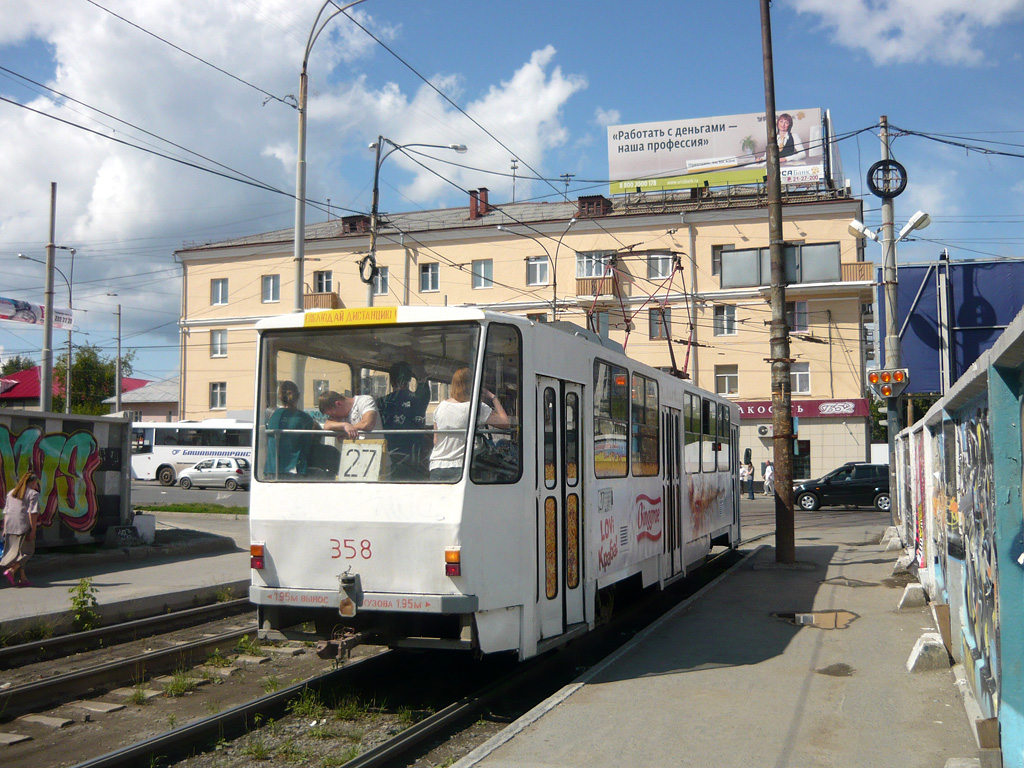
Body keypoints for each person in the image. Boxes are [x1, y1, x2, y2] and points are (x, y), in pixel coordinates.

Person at [429, 367, 509, 482]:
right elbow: (505, 423)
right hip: (461, 466)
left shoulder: (440, 407)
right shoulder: (475, 407)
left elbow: (436, 440)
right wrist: (493, 397)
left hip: (436, 466)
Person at [378, 362, 431, 480]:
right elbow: (423, 380)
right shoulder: (420, 398)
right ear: (409, 379)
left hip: (390, 457)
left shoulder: (382, 402)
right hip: (416, 456)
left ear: (391, 380)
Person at [265, 381, 319, 476]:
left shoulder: (270, 415)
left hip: (272, 469)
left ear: (279, 396)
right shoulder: (305, 419)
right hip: (296, 469)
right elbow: (306, 446)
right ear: (298, 396)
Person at [1, 472, 41, 587]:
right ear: (33, 482)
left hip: (10, 526)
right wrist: (33, 530)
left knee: (15, 553)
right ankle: (11, 571)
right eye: (36, 483)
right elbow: (32, 513)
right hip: (23, 526)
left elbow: (6, 512)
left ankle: (23, 578)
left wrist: (5, 528)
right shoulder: (33, 494)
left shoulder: (11, 493)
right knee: (27, 552)